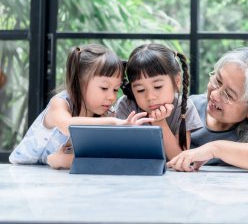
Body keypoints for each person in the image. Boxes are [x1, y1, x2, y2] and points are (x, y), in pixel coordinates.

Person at [9, 44, 153, 169]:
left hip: (56, 173)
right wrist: (113, 123)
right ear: (79, 82)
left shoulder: (107, 112)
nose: (111, 96)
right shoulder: (60, 103)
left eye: (115, 89)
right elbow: (67, 125)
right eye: (104, 88)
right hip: (22, 171)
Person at [116, 43, 203, 160]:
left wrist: (159, 122)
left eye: (157, 87)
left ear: (177, 81)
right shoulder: (126, 105)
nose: (150, 97)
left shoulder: (183, 107)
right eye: (140, 90)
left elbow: (179, 158)